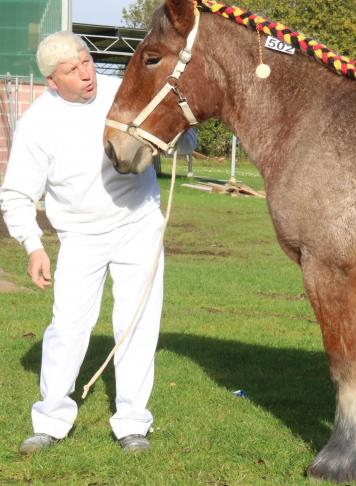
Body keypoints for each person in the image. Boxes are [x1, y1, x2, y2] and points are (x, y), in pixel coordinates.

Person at [0, 31, 193, 455]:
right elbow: (16, 194)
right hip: (80, 236)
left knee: (137, 325)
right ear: (53, 81)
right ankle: (50, 420)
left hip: (138, 225)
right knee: (69, 325)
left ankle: (132, 425)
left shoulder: (122, 91)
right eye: (72, 70)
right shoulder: (37, 124)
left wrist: (182, 137)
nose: (86, 74)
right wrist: (33, 245)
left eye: (86, 61)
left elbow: (175, 129)